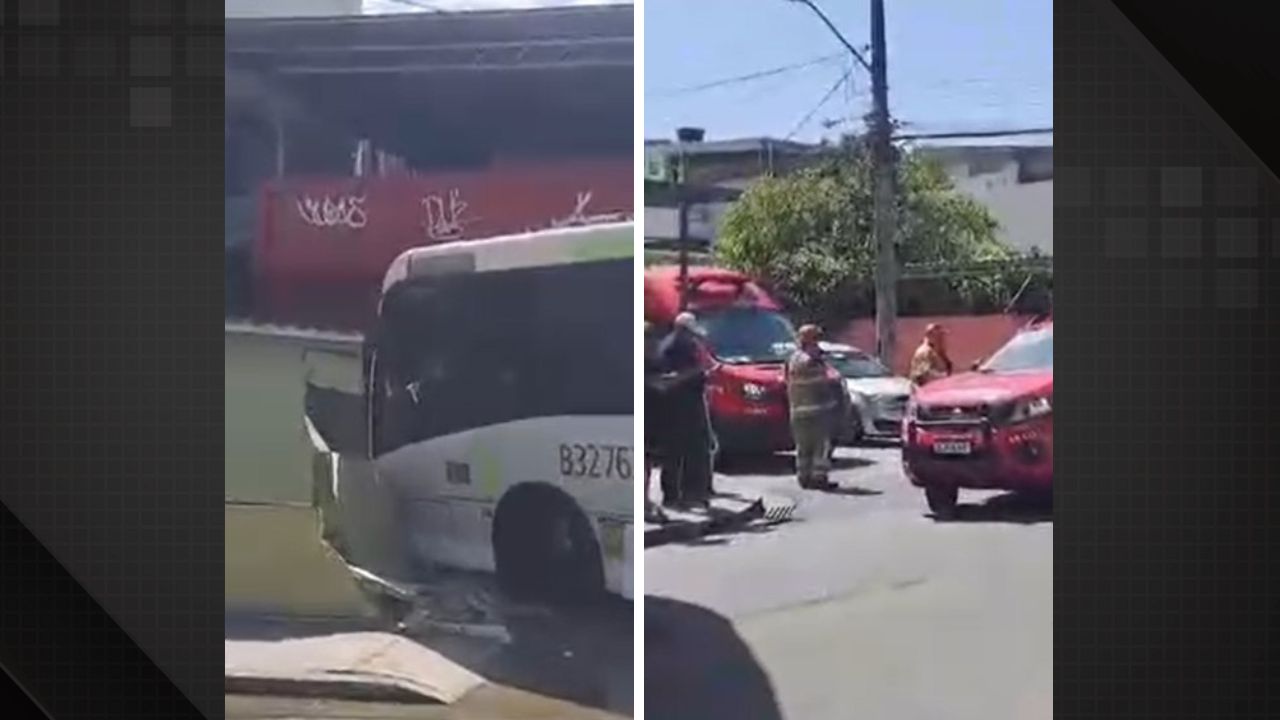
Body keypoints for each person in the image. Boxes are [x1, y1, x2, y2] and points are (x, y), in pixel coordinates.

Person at [656, 312, 714, 509]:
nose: (693, 337)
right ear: (681, 330)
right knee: (675, 453)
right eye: (690, 333)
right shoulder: (672, 348)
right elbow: (666, 379)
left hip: (691, 402)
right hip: (677, 405)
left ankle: (692, 493)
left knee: (695, 450)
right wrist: (698, 371)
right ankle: (672, 496)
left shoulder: (687, 345)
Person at [785, 324, 840, 490]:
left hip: (797, 410)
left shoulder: (793, 358)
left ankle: (803, 477)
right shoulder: (812, 360)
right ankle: (818, 478)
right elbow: (822, 384)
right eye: (816, 339)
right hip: (816, 410)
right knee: (820, 447)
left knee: (803, 447)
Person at [643, 322, 667, 524]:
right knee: (643, 463)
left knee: (648, 463)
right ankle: (642, 502)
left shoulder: (655, 361)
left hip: (653, 417)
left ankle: (645, 500)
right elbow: (655, 384)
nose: (654, 344)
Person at [908, 323, 954, 387]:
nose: (942, 339)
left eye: (942, 336)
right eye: (939, 336)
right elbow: (923, 375)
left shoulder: (938, 351)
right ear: (930, 336)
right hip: (925, 392)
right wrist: (943, 377)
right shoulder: (924, 352)